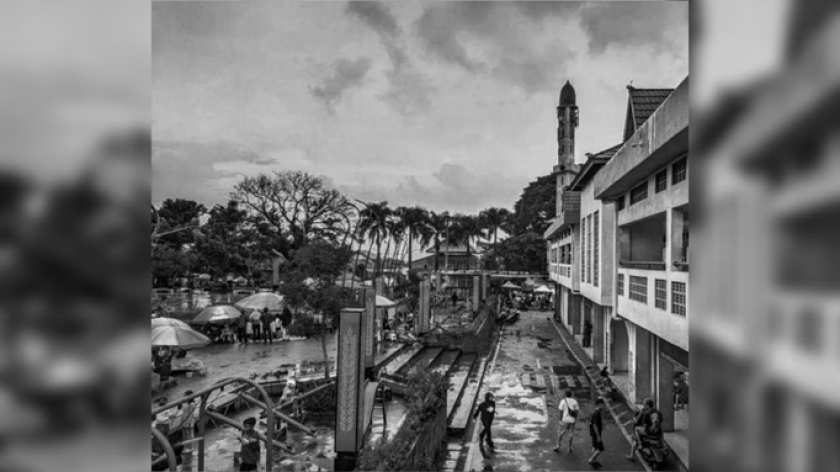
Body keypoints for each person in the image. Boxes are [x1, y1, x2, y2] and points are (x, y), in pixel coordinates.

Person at [554, 389, 580, 454]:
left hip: (565, 420)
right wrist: (575, 419)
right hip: (572, 420)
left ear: (565, 394)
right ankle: (569, 448)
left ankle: (558, 446)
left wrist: (560, 420)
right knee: (571, 434)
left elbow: (561, 412)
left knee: (561, 433)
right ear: (571, 394)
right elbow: (577, 412)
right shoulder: (574, 401)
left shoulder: (563, 401)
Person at [588, 398, 606, 467]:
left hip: (593, 433)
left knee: (595, 446)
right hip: (596, 434)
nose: (603, 406)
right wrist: (598, 436)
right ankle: (591, 459)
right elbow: (595, 425)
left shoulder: (595, 412)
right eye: (602, 404)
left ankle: (594, 460)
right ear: (599, 404)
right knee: (601, 448)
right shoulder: (597, 413)